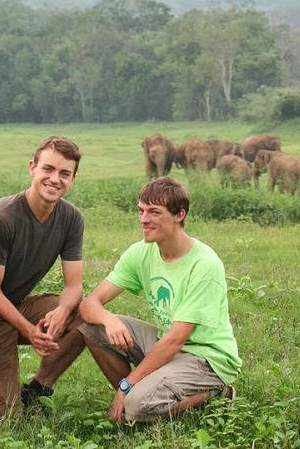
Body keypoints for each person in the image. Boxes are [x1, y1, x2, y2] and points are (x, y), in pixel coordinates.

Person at [79, 176, 241, 424]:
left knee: (137, 407)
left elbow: (176, 340)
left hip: (206, 357)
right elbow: (89, 304)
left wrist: (127, 386)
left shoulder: (204, 264)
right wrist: (108, 319)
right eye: (141, 211)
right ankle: (138, 392)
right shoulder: (141, 252)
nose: (144, 220)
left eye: (154, 212)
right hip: (166, 341)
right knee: (92, 326)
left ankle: (215, 393)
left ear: (179, 215)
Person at [0, 135, 87, 418]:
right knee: (5, 417)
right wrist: (30, 330)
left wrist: (62, 311)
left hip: (18, 304)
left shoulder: (72, 218)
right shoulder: (1, 217)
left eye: (65, 173)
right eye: (48, 169)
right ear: (32, 167)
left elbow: (74, 285)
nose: (55, 179)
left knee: (84, 312)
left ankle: (38, 388)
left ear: (73, 179)